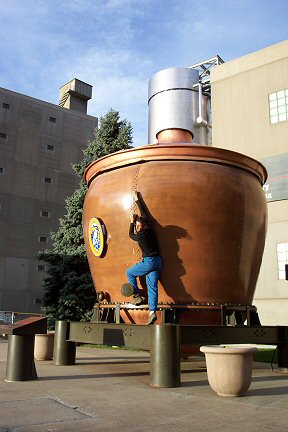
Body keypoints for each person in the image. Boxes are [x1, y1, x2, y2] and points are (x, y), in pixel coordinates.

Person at [126, 191, 162, 325]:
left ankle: (136, 295)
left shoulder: (140, 236)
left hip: (150, 262)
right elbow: (146, 215)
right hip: (158, 261)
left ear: (141, 227)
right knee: (152, 287)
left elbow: (130, 235)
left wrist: (131, 222)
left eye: (138, 226)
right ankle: (152, 312)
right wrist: (138, 201)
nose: (137, 228)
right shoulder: (151, 231)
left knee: (129, 272)